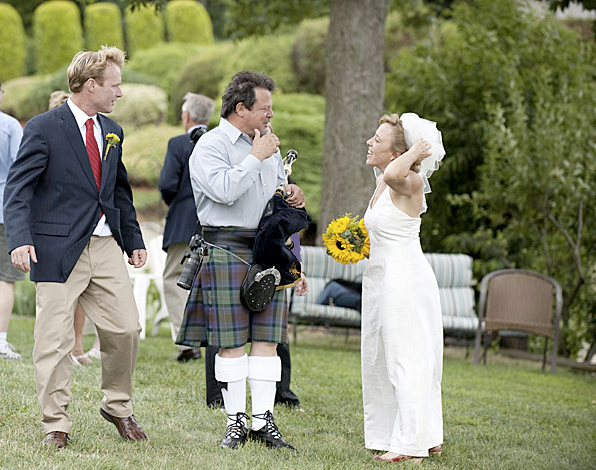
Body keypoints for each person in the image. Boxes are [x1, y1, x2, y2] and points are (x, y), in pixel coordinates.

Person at [3, 46, 148, 448]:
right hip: (54, 248)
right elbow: (18, 189)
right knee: (54, 340)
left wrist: (132, 240)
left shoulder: (113, 130)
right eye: (115, 86)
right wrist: (19, 239)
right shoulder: (43, 127)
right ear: (91, 85)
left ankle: (117, 406)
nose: (120, 93)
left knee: (126, 328)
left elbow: (119, 191)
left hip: (104, 247)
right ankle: (56, 423)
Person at [177, 71, 306, 450]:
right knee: (231, 343)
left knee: (267, 341)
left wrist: (289, 193)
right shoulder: (210, 145)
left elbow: (271, 193)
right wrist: (255, 157)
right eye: (264, 108)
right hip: (225, 247)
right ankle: (235, 423)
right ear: (240, 108)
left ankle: (264, 422)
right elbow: (224, 191)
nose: (270, 115)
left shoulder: (268, 145)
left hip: (268, 248)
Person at [361, 113, 445, 463]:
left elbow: (398, 171)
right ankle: (425, 434)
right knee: (381, 358)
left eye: (377, 140)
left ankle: (410, 444)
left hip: (404, 279)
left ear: (398, 153)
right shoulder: (385, 181)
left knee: (404, 357)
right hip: (381, 277)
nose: (369, 142)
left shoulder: (406, 180)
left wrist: (417, 152)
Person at [158, 92, 214, 362]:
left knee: (174, 280)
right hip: (214, 223)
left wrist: (176, 204)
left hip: (183, 222)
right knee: (208, 282)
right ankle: (210, 339)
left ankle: (187, 342)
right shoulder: (218, 143)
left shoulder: (178, 143)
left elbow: (167, 184)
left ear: (187, 117)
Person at [47, 90, 100, 367]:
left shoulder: (97, 136)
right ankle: (61, 349)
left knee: (79, 295)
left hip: (86, 229)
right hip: (55, 231)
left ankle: (77, 347)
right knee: (57, 299)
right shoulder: (44, 134)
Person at [0, 77, 24, 361]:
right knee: (5, 280)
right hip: (6, 209)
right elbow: (20, 168)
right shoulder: (8, 126)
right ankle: (1, 341)